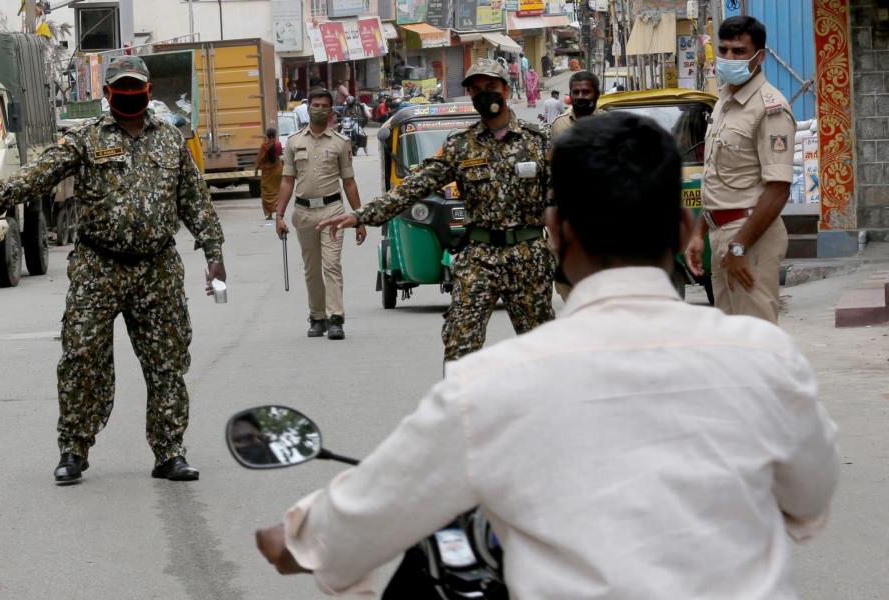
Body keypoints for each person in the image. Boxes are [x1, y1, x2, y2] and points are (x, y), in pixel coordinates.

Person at [254, 112, 839, 599]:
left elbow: (340, 532)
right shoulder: (766, 359)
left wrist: (289, 536)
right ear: (684, 227)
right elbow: (809, 502)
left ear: (556, 232)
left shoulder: (488, 387)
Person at [0, 56, 226, 483]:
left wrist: (213, 255)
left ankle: (169, 452)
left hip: (158, 269)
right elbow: (38, 176)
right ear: (108, 93)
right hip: (98, 268)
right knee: (80, 358)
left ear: (147, 91)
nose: (129, 95)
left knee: (167, 362)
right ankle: (73, 450)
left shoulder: (171, 141)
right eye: (122, 88)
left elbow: (195, 202)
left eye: (136, 87)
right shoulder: (85, 139)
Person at [320, 59, 554, 361]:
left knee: (544, 348)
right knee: (460, 343)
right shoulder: (461, 146)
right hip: (480, 256)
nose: (486, 94)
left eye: (492, 87)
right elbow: (413, 186)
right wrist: (362, 214)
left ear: (506, 90)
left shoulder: (538, 143)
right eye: (478, 90)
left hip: (528, 254)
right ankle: (460, 406)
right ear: (469, 95)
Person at [686, 16, 795, 324]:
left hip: (750, 237)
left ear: (759, 57)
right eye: (724, 50)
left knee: (755, 339)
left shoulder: (770, 108)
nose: (729, 58)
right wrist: (700, 233)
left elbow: (778, 190)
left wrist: (738, 247)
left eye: (738, 51)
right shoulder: (724, 101)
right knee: (732, 343)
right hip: (721, 234)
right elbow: (719, 177)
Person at [274, 90, 367, 341]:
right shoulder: (293, 142)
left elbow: (349, 183)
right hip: (304, 212)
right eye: (315, 105)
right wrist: (279, 215)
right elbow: (286, 181)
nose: (319, 109)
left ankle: (335, 318)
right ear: (308, 108)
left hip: (333, 211)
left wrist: (359, 217)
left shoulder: (340, 142)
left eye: (324, 105)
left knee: (332, 265)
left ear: (331, 110)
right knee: (312, 269)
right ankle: (317, 317)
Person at [550, 70, 604, 302]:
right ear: (570, 96)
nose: (581, 96)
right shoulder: (559, 126)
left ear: (597, 94)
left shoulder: (611, 124)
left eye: (586, 92)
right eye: (576, 92)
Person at [254, 127, 283, 220]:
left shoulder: (264, 146)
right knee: (277, 191)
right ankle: (278, 211)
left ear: (267, 136)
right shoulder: (278, 145)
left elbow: (259, 160)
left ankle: (269, 214)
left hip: (267, 173)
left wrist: (256, 170)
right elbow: (279, 155)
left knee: (266, 193)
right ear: (275, 135)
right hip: (278, 171)